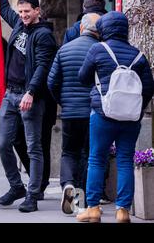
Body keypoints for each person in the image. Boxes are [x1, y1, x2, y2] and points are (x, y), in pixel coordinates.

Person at [77, 11, 154, 223]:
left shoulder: (97, 50)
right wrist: (135, 110)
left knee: (96, 159)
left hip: (102, 115)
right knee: (125, 161)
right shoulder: (138, 55)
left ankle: (92, 208)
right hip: (130, 119)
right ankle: (123, 211)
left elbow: (83, 77)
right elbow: (148, 87)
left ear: (105, 29)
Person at [0, 0, 57, 213]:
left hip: (30, 96)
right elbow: (3, 8)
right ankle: (16, 186)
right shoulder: (18, 25)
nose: (23, 15)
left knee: (34, 148)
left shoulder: (44, 35)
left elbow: (43, 67)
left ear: (38, 11)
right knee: (3, 143)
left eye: (27, 11)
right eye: (20, 11)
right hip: (10, 94)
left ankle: (32, 195)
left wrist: (31, 92)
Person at [48, 13, 101, 215]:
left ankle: (68, 185)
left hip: (70, 113)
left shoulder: (64, 50)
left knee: (69, 153)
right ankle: (82, 203)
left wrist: (64, 101)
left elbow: (52, 82)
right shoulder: (99, 50)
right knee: (88, 155)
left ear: (81, 29)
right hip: (93, 112)